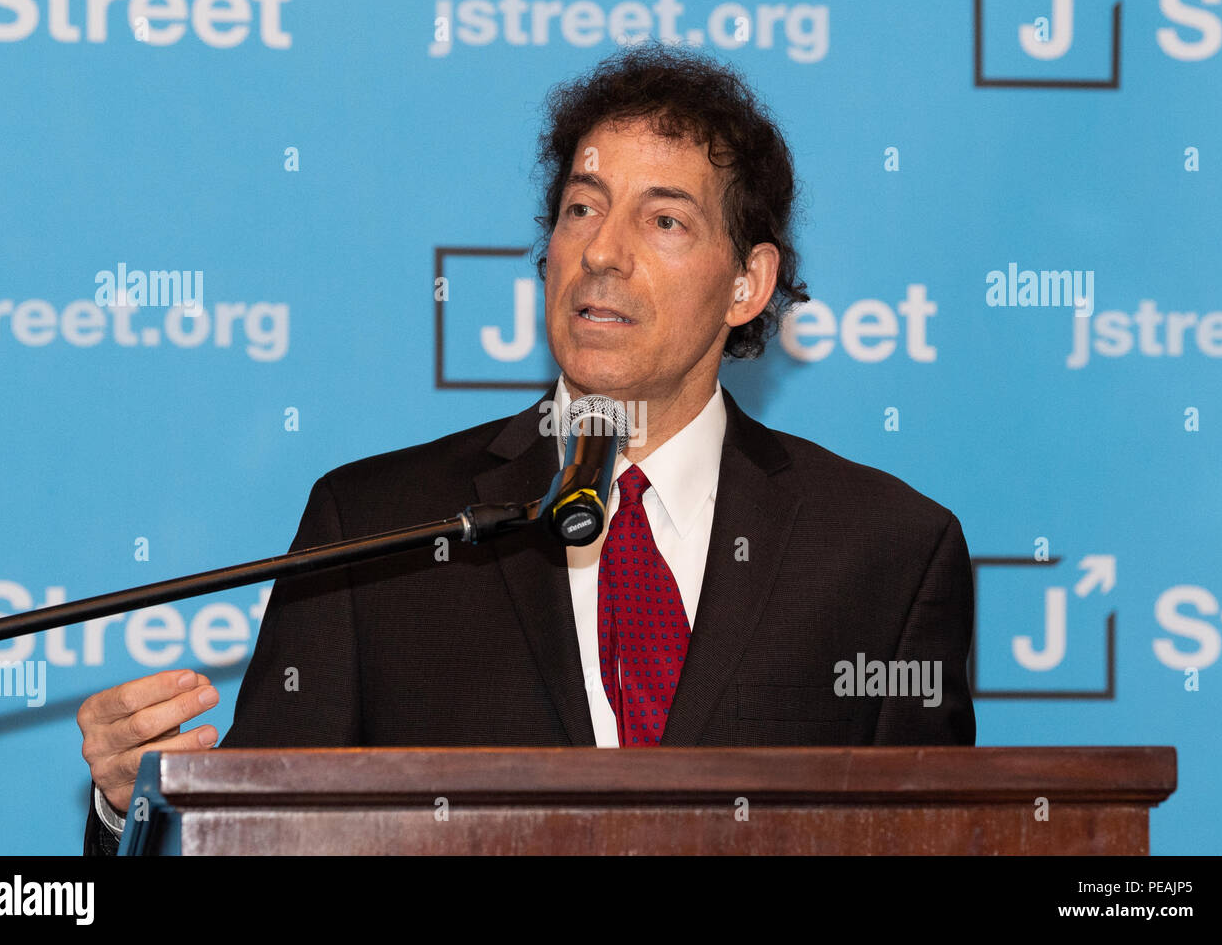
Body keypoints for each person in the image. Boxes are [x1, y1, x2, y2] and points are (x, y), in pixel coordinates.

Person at [78, 43, 976, 855]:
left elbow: (938, 845)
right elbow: (251, 841)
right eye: (582, 209)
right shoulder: (381, 525)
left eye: (663, 221)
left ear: (749, 283)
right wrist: (133, 811)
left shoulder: (884, 550)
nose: (602, 253)